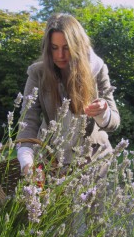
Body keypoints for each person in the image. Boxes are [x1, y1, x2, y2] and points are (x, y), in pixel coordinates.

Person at [16, 13, 120, 177]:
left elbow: (114, 122)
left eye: (66, 47)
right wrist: (26, 162)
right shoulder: (37, 73)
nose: (60, 55)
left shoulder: (98, 69)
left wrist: (103, 112)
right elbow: (28, 120)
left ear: (78, 45)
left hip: (94, 163)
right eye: (54, 48)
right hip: (53, 163)